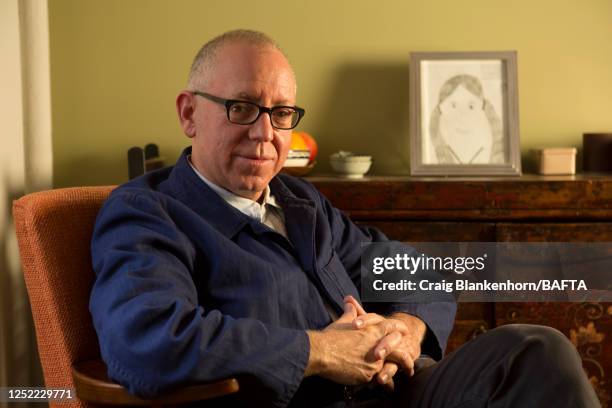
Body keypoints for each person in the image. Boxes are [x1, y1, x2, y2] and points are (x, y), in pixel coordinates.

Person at [90, 30, 599, 407]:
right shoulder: (148, 212)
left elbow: (417, 272)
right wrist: (321, 351)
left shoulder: (298, 202)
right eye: (242, 108)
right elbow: (146, 340)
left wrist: (405, 326)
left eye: (282, 113)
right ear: (188, 115)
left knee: (534, 350)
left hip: (391, 393)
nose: (265, 133)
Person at [428, 74, 505, 164]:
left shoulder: (489, 151)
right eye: (453, 105)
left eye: (471, 106)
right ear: (439, 111)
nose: (462, 115)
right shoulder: (429, 154)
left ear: (485, 110)